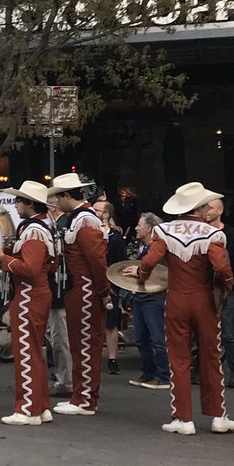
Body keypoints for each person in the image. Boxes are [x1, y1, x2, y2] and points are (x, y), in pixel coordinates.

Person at [128, 182, 234, 435]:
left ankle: (183, 418)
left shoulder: (164, 230)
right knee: (211, 355)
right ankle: (218, 416)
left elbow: (150, 261)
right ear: (198, 207)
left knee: (179, 358)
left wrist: (143, 275)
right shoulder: (213, 234)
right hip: (204, 298)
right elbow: (222, 268)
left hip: (176, 298)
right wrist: (226, 287)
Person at [0, 181, 55, 426]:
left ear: (29, 204)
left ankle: (28, 409)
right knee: (34, 352)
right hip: (35, 294)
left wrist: (2, 257)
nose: (15, 205)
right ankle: (41, 405)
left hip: (29, 295)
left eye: (18, 201)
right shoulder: (44, 227)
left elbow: (30, 269)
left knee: (26, 353)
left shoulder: (34, 232)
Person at [48, 173, 109, 417]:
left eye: (57, 197)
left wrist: (103, 291)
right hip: (79, 287)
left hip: (85, 288)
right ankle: (80, 396)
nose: (55, 202)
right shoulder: (79, 218)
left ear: (66, 195)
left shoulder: (85, 219)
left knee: (85, 344)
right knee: (79, 343)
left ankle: (85, 399)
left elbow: (96, 259)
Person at [204, 197, 234, 389]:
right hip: (204, 289)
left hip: (225, 290)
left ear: (219, 211)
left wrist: (229, 287)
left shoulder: (231, 234)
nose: (207, 211)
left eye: (210, 207)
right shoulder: (201, 233)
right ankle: (204, 370)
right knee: (204, 333)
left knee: (228, 333)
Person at [128, 213, 170, 390]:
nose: (136, 228)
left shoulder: (157, 248)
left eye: (139, 225)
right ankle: (149, 373)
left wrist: (138, 271)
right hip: (141, 296)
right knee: (141, 338)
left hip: (154, 298)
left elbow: (159, 272)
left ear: (149, 229)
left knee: (158, 338)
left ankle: (163, 375)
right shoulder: (143, 247)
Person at [94, 200, 127, 375]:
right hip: (92, 284)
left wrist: (114, 284)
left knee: (111, 323)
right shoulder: (91, 233)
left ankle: (112, 358)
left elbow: (121, 262)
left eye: (96, 210)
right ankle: (93, 357)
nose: (93, 212)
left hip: (110, 284)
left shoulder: (115, 237)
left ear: (105, 215)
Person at [45, 195, 73, 397]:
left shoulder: (63, 225)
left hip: (60, 289)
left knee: (60, 338)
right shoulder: (58, 224)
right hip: (55, 289)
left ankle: (66, 380)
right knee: (56, 337)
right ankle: (64, 377)